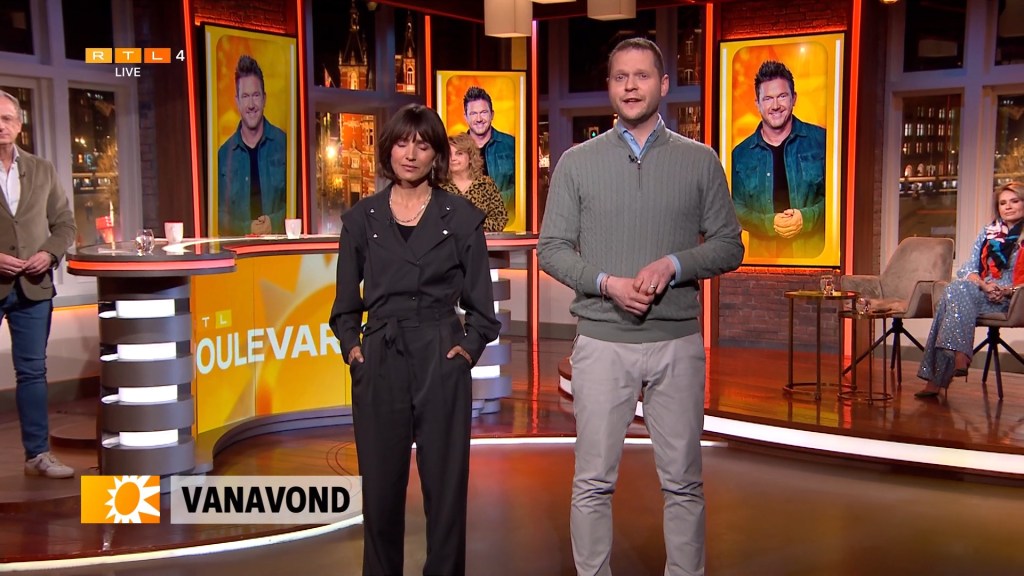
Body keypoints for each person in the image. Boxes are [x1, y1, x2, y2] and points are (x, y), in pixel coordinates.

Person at [538, 38, 744, 576]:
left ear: (663, 85)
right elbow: (551, 249)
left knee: (683, 482)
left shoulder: (699, 161)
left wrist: (674, 264)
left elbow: (729, 245)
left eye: (642, 76)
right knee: (592, 482)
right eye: (620, 77)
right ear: (609, 87)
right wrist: (605, 283)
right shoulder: (577, 163)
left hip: (676, 343)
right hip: (602, 342)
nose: (631, 86)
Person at [329, 103, 500, 576]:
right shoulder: (361, 219)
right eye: (402, 143)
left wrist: (467, 349)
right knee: (380, 490)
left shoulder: (461, 217)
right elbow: (344, 305)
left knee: (445, 490)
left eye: (422, 146)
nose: (411, 154)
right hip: (380, 356)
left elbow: (483, 308)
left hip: (440, 354)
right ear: (388, 150)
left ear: (437, 154)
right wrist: (354, 348)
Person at [0, 90, 77, 479]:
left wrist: (49, 253)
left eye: (6, 118)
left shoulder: (42, 169)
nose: (0, 126)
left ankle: (37, 456)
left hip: (33, 286)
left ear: (19, 124)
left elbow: (65, 223)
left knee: (32, 372)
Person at [915, 181, 1024, 398]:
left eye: (1015, 201)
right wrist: (985, 285)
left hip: (1015, 298)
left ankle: (945, 371)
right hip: (984, 292)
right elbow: (969, 269)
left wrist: (1007, 291)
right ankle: (959, 354)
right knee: (956, 288)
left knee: (949, 300)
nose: (1008, 207)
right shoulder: (988, 233)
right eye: (1003, 203)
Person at [731, 60, 827, 260]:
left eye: (782, 96)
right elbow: (735, 209)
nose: (775, 106)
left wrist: (807, 219)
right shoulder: (740, 154)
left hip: (813, 260)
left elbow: (839, 200)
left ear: (794, 98)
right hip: (764, 263)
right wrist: (769, 223)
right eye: (768, 99)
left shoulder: (822, 141)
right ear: (757, 104)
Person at [217, 54, 287, 236]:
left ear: (264, 99)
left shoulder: (284, 145)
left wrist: (274, 223)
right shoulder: (224, 155)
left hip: (278, 250)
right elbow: (219, 215)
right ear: (237, 102)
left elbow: (298, 202)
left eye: (255, 95)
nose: (251, 105)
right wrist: (247, 229)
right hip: (240, 251)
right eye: (245, 96)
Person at [463, 86, 515, 213]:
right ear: (465, 117)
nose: (479, 119)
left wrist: (492, 201)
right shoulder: (455, 149)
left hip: (504, 219)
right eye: (473, 113)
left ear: (492, 114)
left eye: (483, 112)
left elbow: (523, 188)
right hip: (466, 221)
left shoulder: (511, 145)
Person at [442, 133, 508, 232]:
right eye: (449, 154)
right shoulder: (439, 187)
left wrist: (472, 224)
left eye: (459, 153)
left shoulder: (486, 185)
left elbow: (500, 220)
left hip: (479, 241)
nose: (453, 158)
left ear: (470, 157)